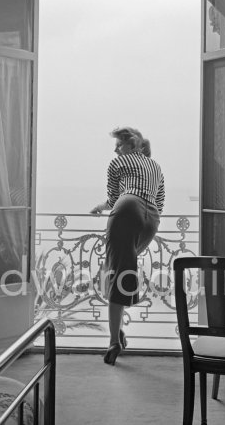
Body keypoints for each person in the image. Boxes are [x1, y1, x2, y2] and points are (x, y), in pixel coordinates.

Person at [90, 127, 165, 365]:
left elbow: (114, 199)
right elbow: (160, 202)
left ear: (133, 145)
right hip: (151, 218)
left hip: (126, 209)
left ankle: (114, 340)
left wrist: (102, 207)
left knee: (114, 273)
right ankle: (119, 328)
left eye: (119, 145)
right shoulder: (156, 167)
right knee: (120, 271)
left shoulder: (118, 163)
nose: (115, 150)